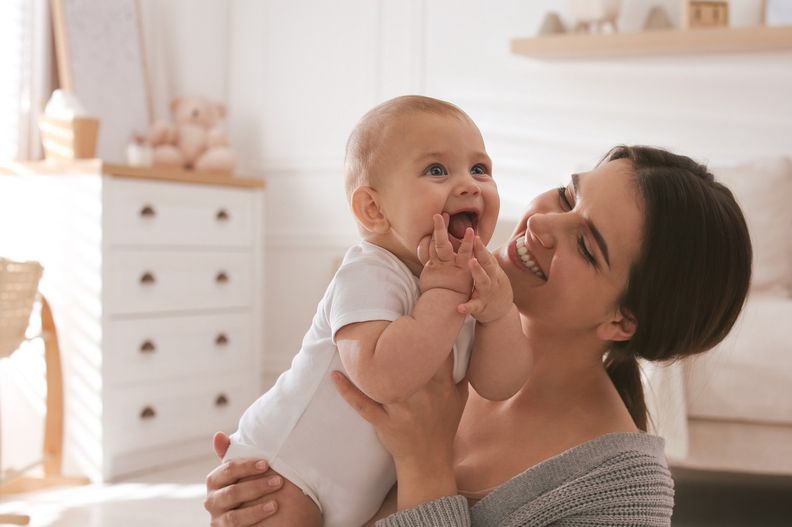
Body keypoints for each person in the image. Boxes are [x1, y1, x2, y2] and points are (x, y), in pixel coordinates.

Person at [204, 144, 753, 526]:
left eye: (586, 245)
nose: (541, 223)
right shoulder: (428, 318)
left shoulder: (619, 495)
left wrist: (424, 464)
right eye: (567, 195)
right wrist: (263, 489)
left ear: (621, 322)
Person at [221, 96, 532, 527]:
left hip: (360, 495)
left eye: (480, 169)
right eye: (437, 170)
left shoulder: (469, 280)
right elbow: (384, 377)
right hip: (286, 472)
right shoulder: (369, 272)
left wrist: (499, 313)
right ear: (374, 209)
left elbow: (500, 383)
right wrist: (442, 291)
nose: (469, 185)